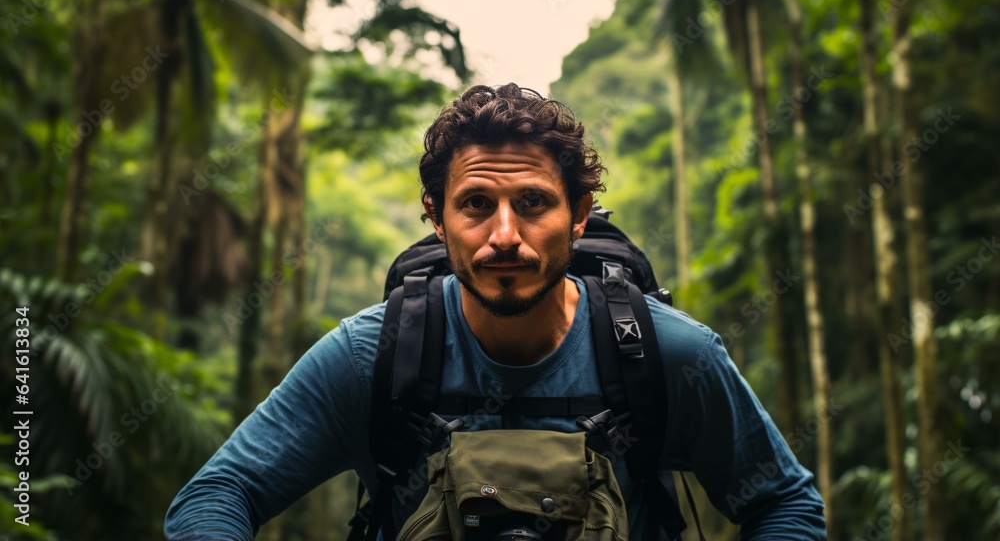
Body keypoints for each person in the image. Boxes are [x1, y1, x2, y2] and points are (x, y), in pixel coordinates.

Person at [164, 83, 827, 540]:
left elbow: (783, 501)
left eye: (533, 203)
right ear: (438, 219)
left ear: (578, 218)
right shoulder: (373, 357)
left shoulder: (667, 355)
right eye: (476, 203)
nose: (504, 234)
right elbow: (217, 495)